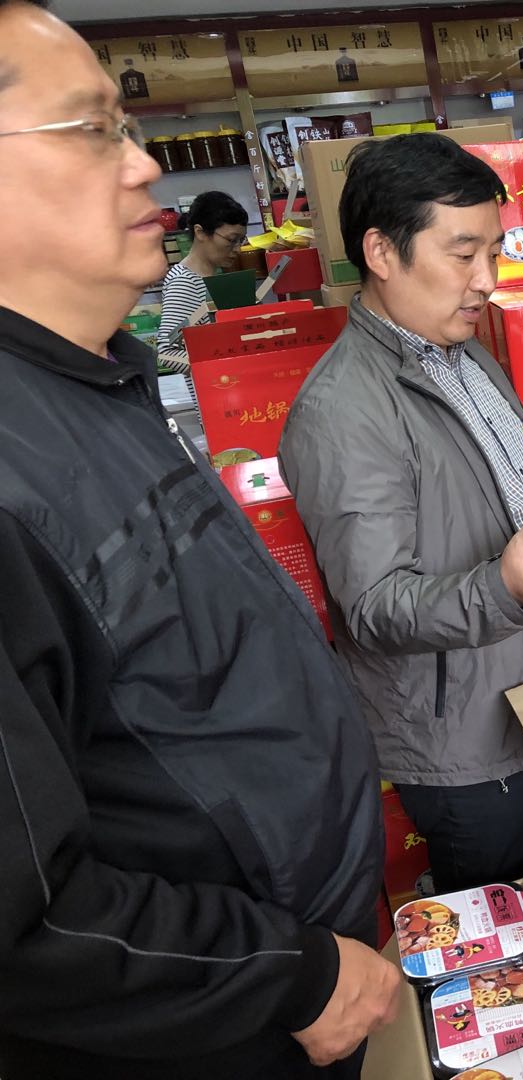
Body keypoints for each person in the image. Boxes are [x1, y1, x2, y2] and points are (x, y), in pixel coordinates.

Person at [0, 4, 397, 1078]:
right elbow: (28, 916)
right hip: (217, 1024)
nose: (144, 166)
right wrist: (289, 976)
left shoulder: (92, 378)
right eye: (92, 130)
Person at [278, 134, 523, 895]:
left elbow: (515, 506)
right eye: (463, 254)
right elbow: (374, 607)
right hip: (470, 746)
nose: (488, 281)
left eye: (494, 253)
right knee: (505, 938)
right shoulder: (342, 411)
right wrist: (509, 589)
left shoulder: (465, 355)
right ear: (381, 251)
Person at [157, 188, 248, 367]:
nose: (238, 249)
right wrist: (216, 370)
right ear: (200, 232)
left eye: (241, 240)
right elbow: (167, 353)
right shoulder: (184, 282)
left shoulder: (211, 275)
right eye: (231, 240)